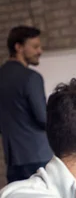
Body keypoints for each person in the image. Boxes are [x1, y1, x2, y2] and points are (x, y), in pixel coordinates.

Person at [0, 26, 53, 183]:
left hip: (13, 159)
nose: (40, 51)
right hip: (38, 157)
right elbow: (43, 118)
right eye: (35, 46)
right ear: (18, 47)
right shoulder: (31, 78)